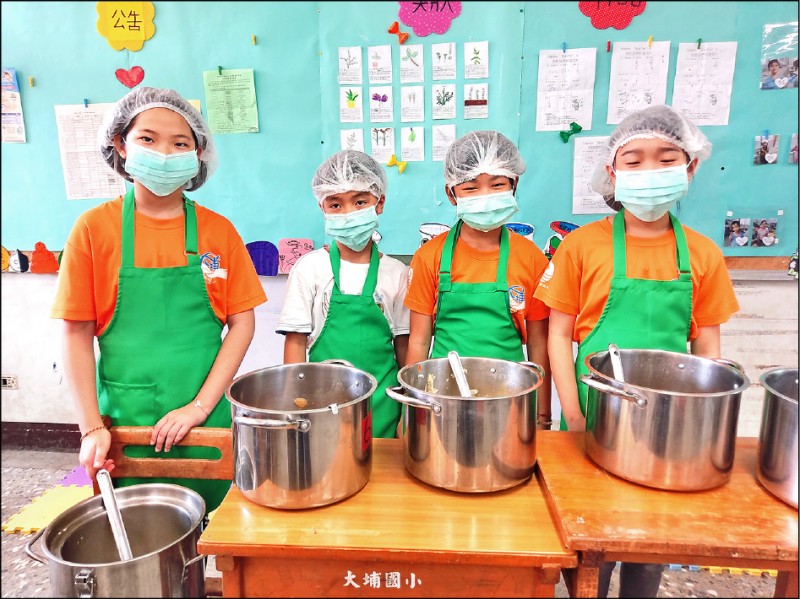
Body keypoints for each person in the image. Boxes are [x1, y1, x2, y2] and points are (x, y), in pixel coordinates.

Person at [534, 105, 740, 598]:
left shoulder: (703, 253)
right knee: (591, 548)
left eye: (666, 159)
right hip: (594, 417)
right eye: (635, 160)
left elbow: (706, 345)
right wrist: (576, 412)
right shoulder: (582, 247)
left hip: (671, 428)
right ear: (611, 171)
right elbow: (559, 336)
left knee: (650, 544)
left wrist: (704, 425)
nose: (650, 171)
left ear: (689, 168)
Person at [51, 87, 267, 513]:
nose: (165, 153)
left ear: (198, 153)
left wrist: (199, 407)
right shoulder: (94, 231)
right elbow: (76, 333)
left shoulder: (217, 233)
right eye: (148, 139)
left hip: (207, 424)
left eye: (181, 143)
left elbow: (242, 323)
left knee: (213, 536)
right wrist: (91, 427)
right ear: (120, 144)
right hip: (126, 428)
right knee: (136, 540)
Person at [404, 130, 552, 429]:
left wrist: (542, 415)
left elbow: (539, 344)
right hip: (441, 395)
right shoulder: (430, 256)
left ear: (514, 185)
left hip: (511, 394)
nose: (485, 196)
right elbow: (419, 341)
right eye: (471, 188)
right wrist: (412, 412)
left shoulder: (531, 258)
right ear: (451, 193)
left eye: (497, 185)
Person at [276, 150, 409, 438]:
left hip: (384, 407)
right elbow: (296, 343)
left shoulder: (397, 272)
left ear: (380, 203)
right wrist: (297, 403)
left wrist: (410, 412)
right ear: (322, 208)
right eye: (336, 204)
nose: (349, 213)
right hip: (322, 405)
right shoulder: (310, 268)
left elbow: (403, 346)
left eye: (360, 202)